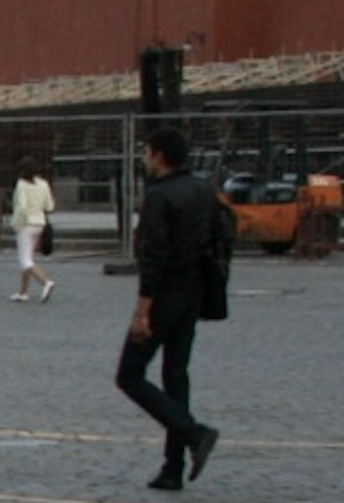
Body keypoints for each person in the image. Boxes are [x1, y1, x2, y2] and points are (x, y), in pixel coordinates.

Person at [118, 127, 223, 492]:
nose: (145, 158)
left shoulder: (159, 196)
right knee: (176, 375)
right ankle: (173, 468)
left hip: (164, 295)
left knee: (129, 375)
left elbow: (154, 256)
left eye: (147, 151)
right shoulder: (204, 189)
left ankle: (195, 434)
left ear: (160, 155)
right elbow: (220, 236)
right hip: (193, 293)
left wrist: (142, 310)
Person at [11, 155, 58, 303]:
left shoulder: (21, 185)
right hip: (40, 223)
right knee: (29, 257)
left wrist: (16, 223)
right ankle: (23, 292)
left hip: (26, 224)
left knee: (24, 260)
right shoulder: (43, 184)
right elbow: (49, 206)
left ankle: (46, 282)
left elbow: (22, 207)